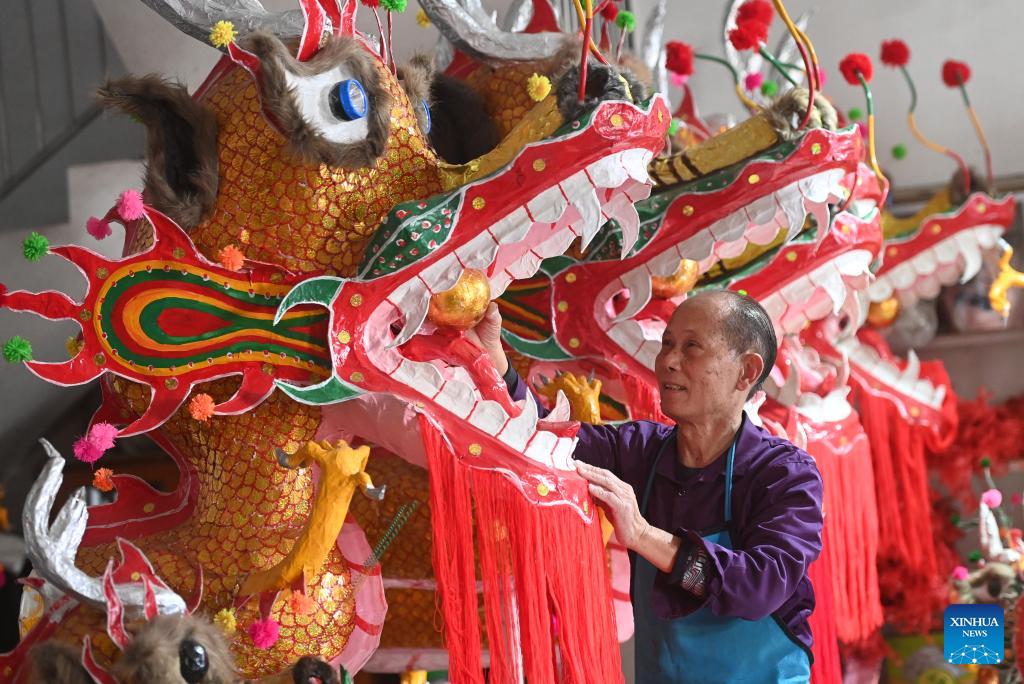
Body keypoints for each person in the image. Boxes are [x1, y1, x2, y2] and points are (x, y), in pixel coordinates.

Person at [469, 290, 823, 683]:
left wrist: (642, 535)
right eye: (667, 344)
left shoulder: (784, 474)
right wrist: (494, 359)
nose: (668, 360)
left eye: (692, 347)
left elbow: (758, 588)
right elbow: (547, 438)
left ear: (747, 371)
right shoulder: (641, 451)